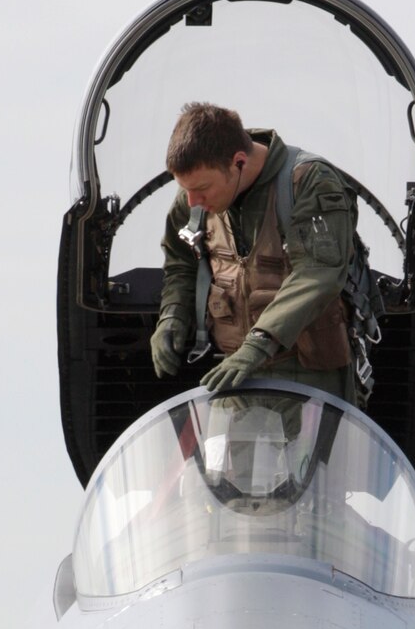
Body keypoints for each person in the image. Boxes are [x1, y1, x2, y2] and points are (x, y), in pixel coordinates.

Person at [151, 101, 369, 407]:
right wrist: (172, 316)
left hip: (310, 380)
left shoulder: (309, 183)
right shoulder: (196, 195)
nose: (192, 201)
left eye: (201, 188)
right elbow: (181, 261)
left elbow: (319, 273)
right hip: (232, 374)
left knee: (310, 458)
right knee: (216, 457)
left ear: (238, 162)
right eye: (186, 190)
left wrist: (258, 344)